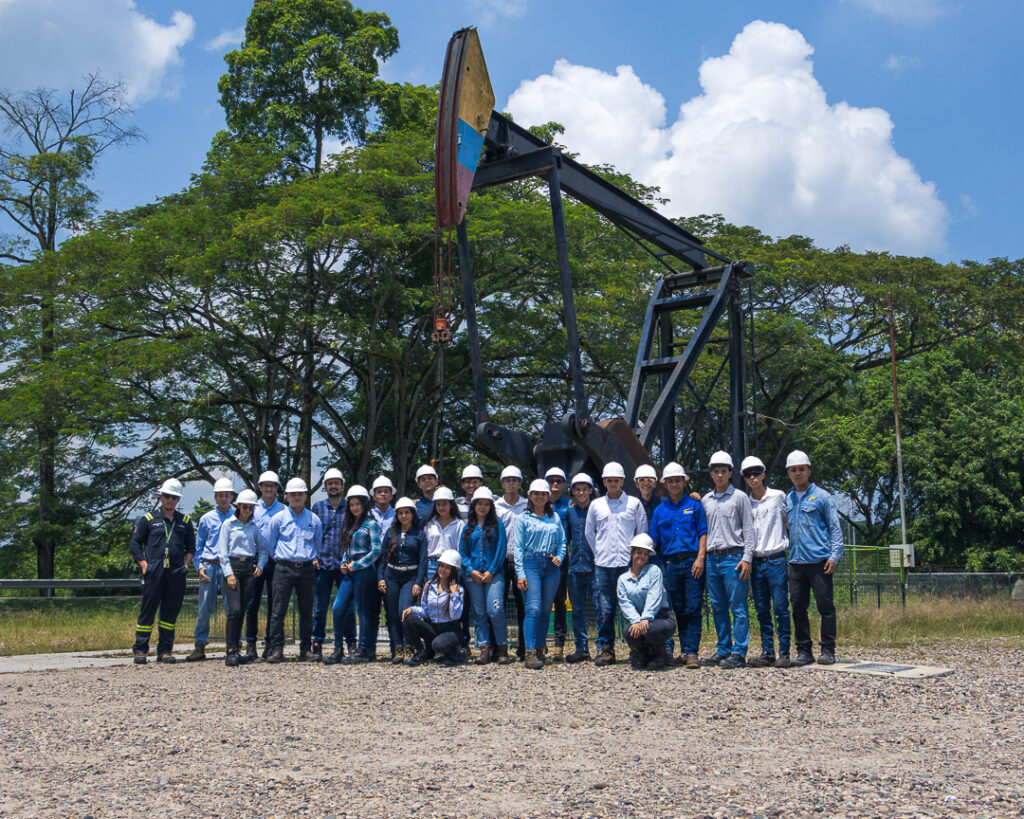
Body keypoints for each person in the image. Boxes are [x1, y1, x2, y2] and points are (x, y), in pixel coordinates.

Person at [585, 461, 648, 667]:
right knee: (605, 608)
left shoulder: (634, 504)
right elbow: (589, 533)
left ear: (622, 481)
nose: (613, 484)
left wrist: (635, 558)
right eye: (609, 481)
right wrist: (600, 554)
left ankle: (637, 649)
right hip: (604, 565)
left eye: (616, 480)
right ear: (604, 482)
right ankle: (606, 649)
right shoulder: (596, 505)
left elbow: (642, 531)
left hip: (628, 564)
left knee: (633, 607)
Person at [785, 450, 844, 666]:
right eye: (793, 470)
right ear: (788, 473)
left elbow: (835, 529)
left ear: (809, 471)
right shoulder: (787, 499)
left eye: (801, 469)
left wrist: (834, 556)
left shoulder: (822, 497)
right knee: (798, 608)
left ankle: (828, 650)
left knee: (825, 606)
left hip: (819, 562)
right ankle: (804, 651)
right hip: (796, 563)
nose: (798, 473)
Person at [129, 478, 196, 664]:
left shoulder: (185, 521)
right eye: (167, 496)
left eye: (174, 497)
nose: (170, 500)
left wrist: (186, 565)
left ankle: (165, 650)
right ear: (161, 497)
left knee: (170, 613)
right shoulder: (148, 519)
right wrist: (144, 565)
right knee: (147, 611)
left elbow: (191, 546)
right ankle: (140, 650)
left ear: (178, 500)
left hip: (175, 572)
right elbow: (135, 544)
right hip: (154, 570)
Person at [648, 462, 708, 669]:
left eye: (677, 480)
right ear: (665, 484)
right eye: (670, 481)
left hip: (692, 562)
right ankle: (682, 650)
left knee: (693, 607)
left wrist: (701, 558)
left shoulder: (695, 506)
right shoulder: (660, 511)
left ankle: (691, 652)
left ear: (684, 482)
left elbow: (703, 533)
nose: (674, 484)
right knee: (678, 608)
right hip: (671, 564)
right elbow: (653, 540)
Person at [700, 451, 757, 669]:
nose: (720, 475)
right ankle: (723, 648)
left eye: (723, 471)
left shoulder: (740, 497)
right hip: (712, 559)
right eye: (716, 471)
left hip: (733, 557)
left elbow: (749, 531)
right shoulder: (706, 500)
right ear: (711, 474)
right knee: (717, 606)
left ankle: (739, 651)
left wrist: (747, 558)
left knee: (738, 607)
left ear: (730, 473)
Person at [741, 455, 792, 668]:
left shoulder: (779, 497)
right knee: (762, 608)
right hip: (756, 560)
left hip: (776, 559)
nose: (753, 478)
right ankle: (767, 651)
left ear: (763, 474)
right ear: (744, 478)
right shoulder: (745, 502)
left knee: (780, 606)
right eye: (748, 474)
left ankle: (785, 652)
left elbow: (789, 522)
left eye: (756, 473)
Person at [265, 478, 322, 663]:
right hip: (283, 568)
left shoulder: (314, 519)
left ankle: (305, 650)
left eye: (300, 494)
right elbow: (270, 544)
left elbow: (318, 544)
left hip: (306, 569)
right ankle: (276, 650)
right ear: (287, 497)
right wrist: (283, 559)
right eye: (293, 494)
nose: (297, 497)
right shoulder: (278, 519)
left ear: (305, 496)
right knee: (278, 610)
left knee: (307, 611)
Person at [513, 479, 567, 670]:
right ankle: (528, 652)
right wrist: (520, 573)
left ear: (547, 496)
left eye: (543, 494)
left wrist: (560, 557)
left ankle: (539, 649)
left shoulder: (555, 518)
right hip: (531, 564)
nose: (539, 497)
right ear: (530, 496)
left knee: (546, 609)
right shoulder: (523, 519)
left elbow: (562, 542)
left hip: (551, 567)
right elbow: (518, 547)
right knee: (533, 608)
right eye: (536, 493)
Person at [329, 485, 383, 664]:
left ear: (364, 505)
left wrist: (357, 565)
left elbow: (376, 550)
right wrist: (344, 563)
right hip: (350, 570)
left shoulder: (371, 524)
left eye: (357, 504)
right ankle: (338, 647)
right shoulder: (349, 524)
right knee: (338, 607)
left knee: (363, 611)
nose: (354, 508)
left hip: (365, 571)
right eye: (351, 505)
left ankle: (364, 649)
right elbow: (347, 548)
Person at [216, 489, 270, 666]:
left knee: (242, 611)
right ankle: (230, 650)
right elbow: (222, 552)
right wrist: (228, 573)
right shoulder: (228, 525)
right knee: (234, 610)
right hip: (232, 567)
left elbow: (262, 549)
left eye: (251, 507)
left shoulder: (254, 527)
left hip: (248, 569)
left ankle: (237, 650)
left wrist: (260, 566)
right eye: (245, 507)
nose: (248, 510)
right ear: (238, 506)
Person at [186, 477, 236, 662]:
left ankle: (233, 645)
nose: (223, 499)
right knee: (205, 606)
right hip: (210, 565)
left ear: (232, 497)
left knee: (231, 607)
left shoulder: (237, 517)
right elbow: (198, 547)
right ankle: (200, 646)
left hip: (229, 565)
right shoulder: (206, 519)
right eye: (220, 495)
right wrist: (199, 567)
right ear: (215, 497)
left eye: (227, 495)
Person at [459, 486, 509, 665]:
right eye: (479, 503)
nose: (482, 507)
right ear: (473, 506)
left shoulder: (497, 524)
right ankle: (484, 649)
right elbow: (462, 553)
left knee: (495, 610)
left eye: (486, 504)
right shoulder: (468, 528)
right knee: (479, 613)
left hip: (493, 575)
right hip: (472, 576)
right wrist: (471, 571)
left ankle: (502, 648)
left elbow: (501, 549)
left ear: (491, 506)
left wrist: (491, 571)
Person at [378, 497, 427, 663]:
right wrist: (380, 578)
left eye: (407, 512)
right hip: (391, 576)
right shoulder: (391, 534)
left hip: (410, 576)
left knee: (404, 612)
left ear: (413, 514)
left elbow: (423, 560)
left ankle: (410, 646)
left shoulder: (419, 534)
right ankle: (397, 649)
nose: (404, 516)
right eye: (401, 513)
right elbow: (383, 558)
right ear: (397, 515)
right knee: (391, 615)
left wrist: (418, 582)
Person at [617, 533, 676, 670]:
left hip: (662, 617)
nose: (641, 556)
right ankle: (642, 654)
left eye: (645, 554)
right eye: (638, 552)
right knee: (628, 631)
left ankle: (661, 655)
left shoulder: (654, 571)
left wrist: (646, 618)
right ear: (632, 553)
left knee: (651, 629)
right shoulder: (623, 579)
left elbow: (654, 596)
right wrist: (636, 620)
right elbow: (625, 603)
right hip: (638, 618)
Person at [311, 468, 352, 662]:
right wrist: (314, 556)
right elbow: (311, 535)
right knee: (320, 608)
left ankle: (350, 643)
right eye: (330, 483)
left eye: (337, 483)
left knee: (347, 607)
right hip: (323, 565)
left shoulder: (350, 507)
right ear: (325, 487)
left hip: (344, 565)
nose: (333, 486)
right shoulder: (317, 508)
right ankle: (317, 644)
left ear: (342, 486)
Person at [244, 470, 285, 661]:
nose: (269, 488)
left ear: (277, 488)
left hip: (276, 562)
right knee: (252, 604)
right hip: (254, 562)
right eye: (265, 485)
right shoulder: (252, 508)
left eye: (272, 485)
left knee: (274, 606)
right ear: (259, 487)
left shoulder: (284, 510)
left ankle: (271, 644)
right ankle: (250, 644)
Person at [402, 549, 465, 666]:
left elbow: (455, 615)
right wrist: (412, 609)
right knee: (408, 618)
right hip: (434, 628)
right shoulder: (429, 585)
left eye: (447, 567)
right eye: (441, 566)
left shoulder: (459, 590)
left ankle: (452, 654)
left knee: (438, 644)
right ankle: (422, 652)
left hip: (451, 630)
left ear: (453, 570)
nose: (443, 569)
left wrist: (454, 594)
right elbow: (426, 611)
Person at [495, 465, 528, 660]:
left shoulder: (527, 504)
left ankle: (525, 647)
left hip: (521, 561)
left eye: (514, 480)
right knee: (496, 606)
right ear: (502, 483)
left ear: (520, 483)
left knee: (523, 606)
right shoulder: (496, 506)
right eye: (507, 480)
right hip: (501, 560)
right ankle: (498, 648)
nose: (511, 483)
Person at [564, 472, 597, 663]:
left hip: (595, 566)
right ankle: (581, 648)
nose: (582, 492)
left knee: (600, 607)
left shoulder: (597, 509)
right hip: (575, 567)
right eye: (578, 489)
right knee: (577, 609)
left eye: (585, 489)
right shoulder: (570, 512)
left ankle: (602, 647)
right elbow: (564, 538)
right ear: (573, 492)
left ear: (591, 490)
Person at [545, 466, 571, 662]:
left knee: (559, 601)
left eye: (558, 480)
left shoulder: (568, 506)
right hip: (539, 558)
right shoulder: (537, 504)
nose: (555, 483)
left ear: (564, 484)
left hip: (561, 558)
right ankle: (539, 641)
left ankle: (559, 644)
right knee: (538, 601)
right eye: (551, 480)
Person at [369, 474, 396, 656]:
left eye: (386, 491)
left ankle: (397, 648)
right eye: (379, 492)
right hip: (370, 563)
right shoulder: (367, 514)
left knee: (392, 609)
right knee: (370, 609)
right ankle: (369, 649)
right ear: (374, 495)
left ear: (392, 495)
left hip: (391, 564)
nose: (383, 495)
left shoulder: (399, 514)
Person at [423, 486, 465, 578]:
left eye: (445, 504)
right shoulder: (429, 524)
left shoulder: (459, 524)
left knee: (450, 592)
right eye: (438, 504)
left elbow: (460, 548)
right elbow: (425, 548)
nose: (441, 507)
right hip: (431, 565)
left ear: (451, 505)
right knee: (432, 592)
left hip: (451, 565)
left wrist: (457, 568)